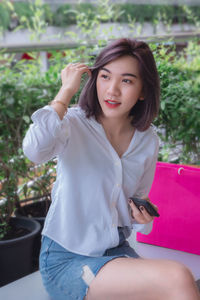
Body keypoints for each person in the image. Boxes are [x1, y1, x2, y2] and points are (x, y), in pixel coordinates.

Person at [23, 38, 200, 300]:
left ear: (142, 90)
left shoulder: (147, 140)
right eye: (105, 77)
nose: (112, 90)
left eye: (126, 81)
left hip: (116, 252)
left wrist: (143, 220)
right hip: (68, 258)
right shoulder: (72, 123)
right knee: (178, 278)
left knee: (177, 286)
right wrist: (65, 92)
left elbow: (137, 204)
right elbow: (34, 151)